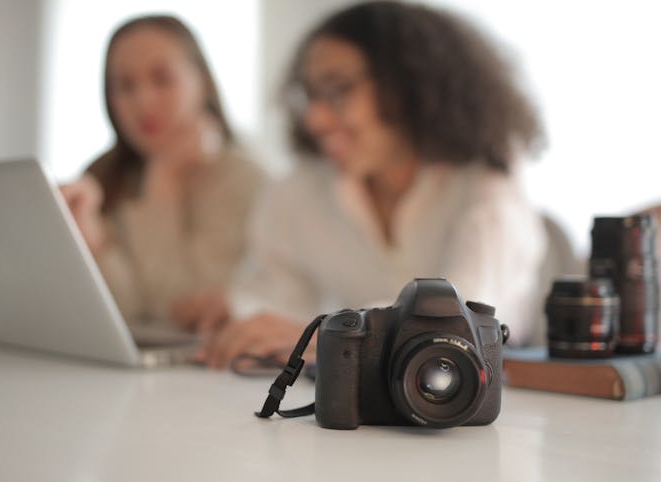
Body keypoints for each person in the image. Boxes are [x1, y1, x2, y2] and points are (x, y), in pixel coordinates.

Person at [199, 1, 547, 368]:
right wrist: (239, 315)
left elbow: (461, 327)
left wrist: (318, 337)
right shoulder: (297, 191)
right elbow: (273, 298)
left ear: (411, 83)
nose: (315, 119)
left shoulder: (486, 186)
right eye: (310, 95)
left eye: (337, 90)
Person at [61, 15, 264, 333]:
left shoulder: (241, 178)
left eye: (162, 79)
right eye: (125, 86)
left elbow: (176, 310)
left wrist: (164, 183)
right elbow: (126, 312)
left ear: (201, 81)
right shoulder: (102, 177)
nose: (143, 101)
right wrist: (95, 242)